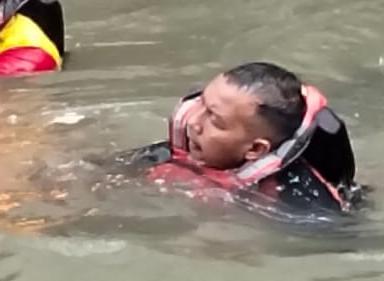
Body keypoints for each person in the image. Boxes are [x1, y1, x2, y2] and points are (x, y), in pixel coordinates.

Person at [126, 62, 362, 215]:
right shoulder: (170, 154)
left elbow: (332, 247)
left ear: (256, 150)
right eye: (201, 103)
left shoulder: (300, 200)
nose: (194, 122)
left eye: (215, 121)